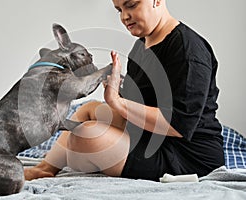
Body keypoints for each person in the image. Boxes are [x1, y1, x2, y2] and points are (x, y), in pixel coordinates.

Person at [24, 0, 224, 181]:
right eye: (119, 9)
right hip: (149, 135)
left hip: (187, 156)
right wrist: (115, 87)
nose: (124, 17)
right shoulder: (141, 45)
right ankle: (45, 167)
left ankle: (82, 153)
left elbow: (178, 125)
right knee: (89, 109)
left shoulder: (187, 49)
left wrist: (118, 103)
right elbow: (141, 102)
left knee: (85, 135)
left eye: (131, 5)